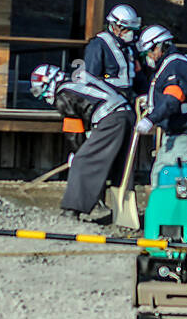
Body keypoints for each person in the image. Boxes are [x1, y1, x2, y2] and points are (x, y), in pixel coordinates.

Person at [30, 64, 132, 220]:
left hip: (110, 118)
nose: (43, 96)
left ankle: (72, 210)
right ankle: (117, 212)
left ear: (49, 82)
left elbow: (74, 132)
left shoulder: (64, 95)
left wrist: (77, 152)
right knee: (118, 166)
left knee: (83, 162)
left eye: (41, 91)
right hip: (124, 114)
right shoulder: (77, 83)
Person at [135, 26, 187, 183]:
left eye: (149, 52)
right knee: (162, 178)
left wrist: (151, 119)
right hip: (178, 134)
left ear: (160, 46)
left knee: (163, 179)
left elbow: (173, 98)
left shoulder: (176, 65)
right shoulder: (172, 64)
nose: (149, 57)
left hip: (184, 136)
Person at [82, 4, 141, 95]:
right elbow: (91, 78)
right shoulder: (98, 45)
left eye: (132, 29)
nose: (130, 33)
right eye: (126, 29)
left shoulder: (129, 47)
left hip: (127, 95)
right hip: (108, 98)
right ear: (114, 27)